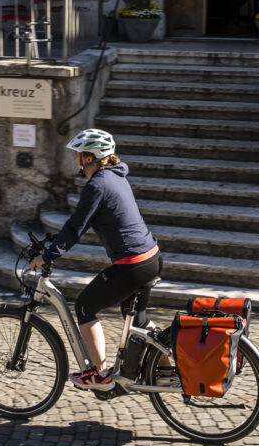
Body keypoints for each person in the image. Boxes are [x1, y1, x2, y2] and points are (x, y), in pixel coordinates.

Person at [30, 128, 161, 391]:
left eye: (79, 155)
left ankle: (99, 375)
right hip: (151, 258)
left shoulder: (98, 184)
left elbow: (76, 226)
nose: (76, 159)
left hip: (132, 266)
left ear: (91, 157)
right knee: (138, 320)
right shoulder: (116, 176)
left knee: (85, 307)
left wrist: (48, 255)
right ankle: (167, 361)